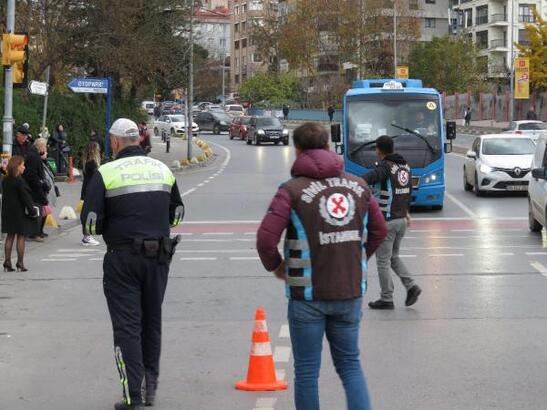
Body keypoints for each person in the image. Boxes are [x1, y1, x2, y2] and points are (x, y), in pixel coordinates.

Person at [256, 122, 388, 410]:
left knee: (306, 372)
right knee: (350, 366)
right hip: (350, 292)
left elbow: (266, 240)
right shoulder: (359, 186)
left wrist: (278, 266)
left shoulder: (290, 191)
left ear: (298, 149)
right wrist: (359, 258)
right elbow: (379, 231)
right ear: (329, 146)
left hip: (307, 298)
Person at [81, 118, 184, 409]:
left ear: (114, 142)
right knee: (152, 323)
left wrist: (111, 226)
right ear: (137, 139)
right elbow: (177, 213)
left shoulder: (107, 172)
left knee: (127, 327)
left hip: (122, 259)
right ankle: (150, 390)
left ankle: (133, 397)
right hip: (159, 257)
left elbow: (90, 224)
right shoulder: (162, 169)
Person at [363, 136, 422, 310]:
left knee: (382, 261)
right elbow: (407, 192)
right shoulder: (405, 166)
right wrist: (407, 212)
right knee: (393, 257)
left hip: (387, 221)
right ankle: (411, 286)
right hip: (402, 220)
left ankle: (386, 298)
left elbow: (367, 178)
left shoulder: (384, 167)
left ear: (378, 150)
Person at [2, 156, 39, 272]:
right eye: (22, 165)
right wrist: (33, 211)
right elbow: (26, 198)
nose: (24, 167)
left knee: (10, 236)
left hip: (7, 212)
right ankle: (20, 263)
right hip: (19, 212)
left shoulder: (5, 180)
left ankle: (7, 262)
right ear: (17, 167)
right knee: (21, 236)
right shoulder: (19, 181)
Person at [23, 138, 50, 242]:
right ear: (40, 146)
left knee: (38, 210)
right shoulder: (33, 156)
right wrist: (40, 184)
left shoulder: (34, 155)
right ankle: (33, 234)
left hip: (35, 188)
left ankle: (36, 232)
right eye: (45, 146)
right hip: (34, 190)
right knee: (36, 210)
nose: (46, 148)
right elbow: (32, 175)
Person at [80, 142, 101, 246]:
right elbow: (95, 177)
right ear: (94, 150)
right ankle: (87, 236)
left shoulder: (87, 162)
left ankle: (87, 235)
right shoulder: (92, 163)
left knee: (87, 212)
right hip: (90, 190)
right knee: (89, 213)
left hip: (86, 189)